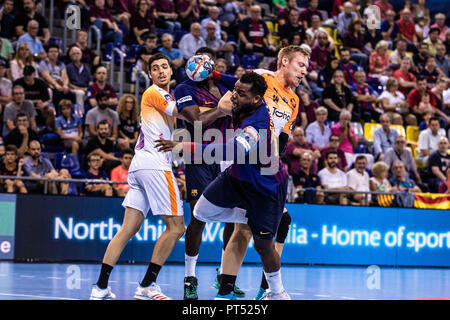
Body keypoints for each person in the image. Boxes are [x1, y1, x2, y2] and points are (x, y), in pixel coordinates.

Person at [156, 71, 291, 300]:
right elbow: (233, 87)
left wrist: (186, 146)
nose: (234, 95)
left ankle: (278, 292)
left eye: (241, 93)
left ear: (257, 99)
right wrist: (217, 75)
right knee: (200, 212)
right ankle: (250, 217)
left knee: (263, 246)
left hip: (265, 187)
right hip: (237, 177)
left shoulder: (256, 125)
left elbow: (231, 151)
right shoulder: (241, 102)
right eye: (235, 90)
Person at [212, 44, 310, 301]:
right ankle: (231, 289)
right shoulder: (261, 78)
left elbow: (282, 140)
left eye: (306, 68)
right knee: (243, 227)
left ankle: (260, 288)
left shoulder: (294, 100)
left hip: (266, 166)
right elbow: (224, 103)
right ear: (285, 61)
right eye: (300, 65)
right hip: (243, 159)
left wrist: (274, 161)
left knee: (263, 225)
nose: (304, 72)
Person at [89, 53, 185, 301]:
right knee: (176, 227)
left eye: (165, 67)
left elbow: (177, 131)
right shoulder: (155, 92)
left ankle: (100, 287)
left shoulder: (166, 97)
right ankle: (147, 285)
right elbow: (187, 113)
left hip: (140, 166)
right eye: (156, 68)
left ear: (171, 71)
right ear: (150, 75)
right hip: (154, 166)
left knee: (128, 228)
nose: (162, 71)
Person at [172, 46, 239, 300]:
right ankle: (190, 277)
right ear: (192, 65)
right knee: (198, 216)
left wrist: (222, 78)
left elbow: (244, 85)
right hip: (199, 156)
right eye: (200, 62)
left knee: (234, 219)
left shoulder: (224, 88)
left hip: (227, 156)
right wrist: (223, 108)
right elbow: (197, 121)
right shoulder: (184, 89)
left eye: (209, 63)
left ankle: (225, 275)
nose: (204, 67)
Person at [13, 65, 53, 130]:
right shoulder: (18, 83)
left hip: (38, 108)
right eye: (25, 75)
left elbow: (47, 100)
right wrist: (35, 101)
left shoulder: (41, 83)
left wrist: (43, 105)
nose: (27, 77)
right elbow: (15, 99)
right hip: (22, 107)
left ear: (34, 74)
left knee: (49, 111)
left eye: (29, 75)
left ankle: (47, 130)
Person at [39, 44, 75, 108]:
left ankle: (71, 113)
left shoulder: (61, 63)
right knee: (56, 94)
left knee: (70, 94)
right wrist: (56, 85)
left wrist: (65, 85)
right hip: (49, 84)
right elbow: (46, 77)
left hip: (60, 83)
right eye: (51, 52)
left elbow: (65, 76)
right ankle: (57, 113)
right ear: (47, 53)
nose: (54, 53)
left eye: (56, 52)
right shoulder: (44, 63)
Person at [66, 46, 93, 114]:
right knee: (80, 93)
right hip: (73, 89)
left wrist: (89, 88)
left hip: (85, 89)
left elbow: (90, 80)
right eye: (73, 54)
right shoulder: (68, 67)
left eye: (78, 53)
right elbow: (68, 83)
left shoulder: (86, 67)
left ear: (81, 55)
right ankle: (81, 115)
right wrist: (81, 89)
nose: (76, 55)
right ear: (70, 56)